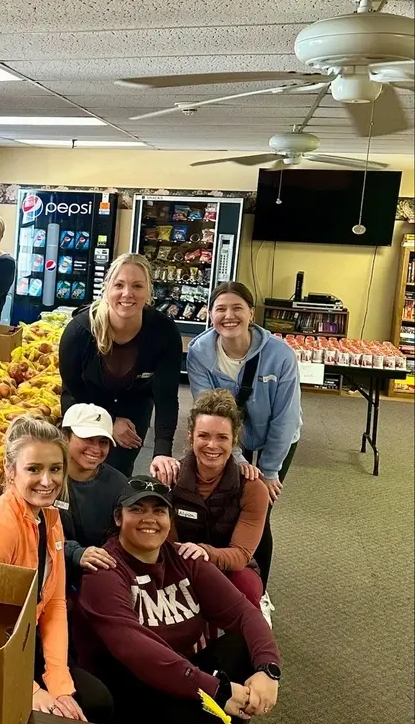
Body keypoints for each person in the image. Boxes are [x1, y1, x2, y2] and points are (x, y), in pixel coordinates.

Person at [74, 476, 282, 724]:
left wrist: (268, 669)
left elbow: (244, 613)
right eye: (137, 509)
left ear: (170, 520)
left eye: (159, 511)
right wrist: (214, 689)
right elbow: (136, 650)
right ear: (118, 518)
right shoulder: (104, 570)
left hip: (182, 676)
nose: (149, 519)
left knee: (241, 644)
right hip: (133, 688)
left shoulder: (184, 558)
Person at [0, 415, 113, 722]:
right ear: (10, 470)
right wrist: (30, 690)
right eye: (34, 469)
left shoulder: (49, 518)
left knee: (95, 701)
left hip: (28, 643)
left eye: (55, 469)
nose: (47, 481)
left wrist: (59, 684)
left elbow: (54, 603)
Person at [186, 280, 301, 590]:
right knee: (227, 504)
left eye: (237, 308)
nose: (229, 316)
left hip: (275, 436)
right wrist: (238, 459)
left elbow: (286, 418)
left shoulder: (280, 355)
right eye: (220, 309)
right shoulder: (200, 352)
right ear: (210, 313)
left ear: (251, 313)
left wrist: (269, 472)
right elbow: (208, 411)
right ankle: (222, 577)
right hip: (226, 439)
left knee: (259, 509)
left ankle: (258, 590)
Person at [59, 253, 182, 477]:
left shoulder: (164, 332)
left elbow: (166, 397)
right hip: (85, 401)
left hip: (134, 403)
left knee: (116, 473)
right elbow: (74, 386)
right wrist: (110, 420)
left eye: (137, 286)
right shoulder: (80, 332)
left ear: (149, 291)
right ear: (107, 288)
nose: (127, 293)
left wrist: (162, 452)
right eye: (119, 285)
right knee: (79, 467)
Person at [152, 389, 269, 608]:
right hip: (180, 561)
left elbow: (241, 554)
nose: (212, 445)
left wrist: (205, 553)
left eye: (222, 437)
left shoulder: (252, 488)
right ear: (191, 436)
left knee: (248, 587)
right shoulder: (170, 479)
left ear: (234, 440)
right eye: (204, 436)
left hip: (229, 566)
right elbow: (165, 545)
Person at [59, 404, 128, 591]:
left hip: (100, 575)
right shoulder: (47, 479)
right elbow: (34, 533)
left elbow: (125, 538)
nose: (96, 449)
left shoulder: (119, 485)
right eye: (87, 438)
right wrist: (74, 553)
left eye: (103, 442)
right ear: (65, 437)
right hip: (51, 570)